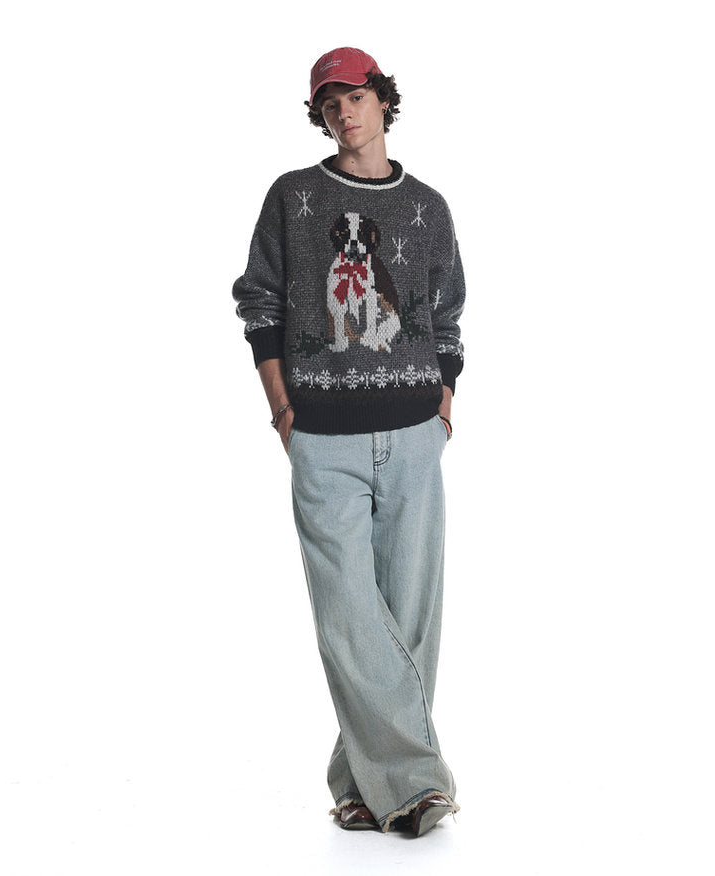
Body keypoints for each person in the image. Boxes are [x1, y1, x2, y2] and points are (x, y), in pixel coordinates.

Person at [232, 47, 467, 837]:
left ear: (382, 101)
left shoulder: (427, 206)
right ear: (321, 115)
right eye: (330, 103)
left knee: (409, 617)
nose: (344, 112)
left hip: (414, 433)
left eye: (356, 96)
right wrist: (281, 410)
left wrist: (445, 395)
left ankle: (363, 787)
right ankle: (418, 786)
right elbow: (259, 302)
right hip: (323, 436)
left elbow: (446, 309)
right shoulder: (293, 197)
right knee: (348, 617)